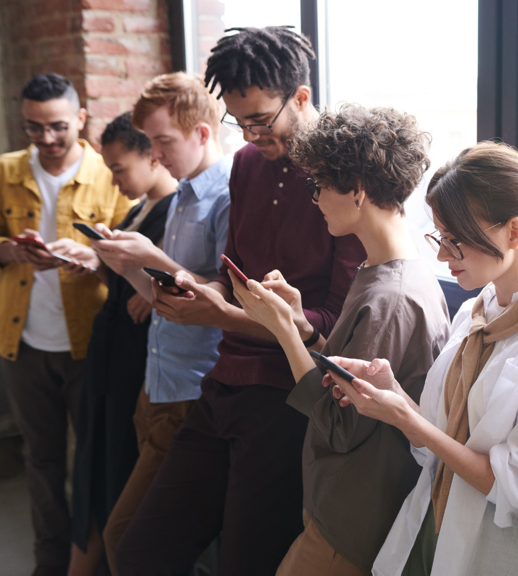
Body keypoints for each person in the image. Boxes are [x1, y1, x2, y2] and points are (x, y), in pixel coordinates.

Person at [115, 27, 366, 576]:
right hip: (223, 379)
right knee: (139, 553)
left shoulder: (345, 179)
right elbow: (232, 276)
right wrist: (200, 293)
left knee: (245, 562)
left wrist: (224, 314)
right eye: (239, 120)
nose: (250, 135)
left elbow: (334, 326)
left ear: (301, 97)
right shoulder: (247, 165)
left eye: (260, 120)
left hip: (287, 398)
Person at [326, 141, 518, 576]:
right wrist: (394, 394)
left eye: (455, 242)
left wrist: (408, 419)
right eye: (440, 237)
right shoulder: (475, 312)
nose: (442, 255)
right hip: (428, 532)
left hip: (496, 554)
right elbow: (435, 446)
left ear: (514, 233)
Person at [229, 104, 449, 576]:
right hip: (343, 505)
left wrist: (282, 330)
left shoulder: (392, 297)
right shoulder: (384, 272)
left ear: (358, 190)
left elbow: (344, 422)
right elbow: (349, 371)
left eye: (319, 186)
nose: (314, 199)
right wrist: (303, 325)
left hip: (353, 518)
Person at [78, 72, 233, 576]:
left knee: (126, 538)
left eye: (163, 141)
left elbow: (223, 300)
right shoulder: (185, 194)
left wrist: (153, 258)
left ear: (202, 133)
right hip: (158, 385)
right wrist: (127, 263)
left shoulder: (226, 197)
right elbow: (167, 300)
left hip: (191, 391)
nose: (156, 154)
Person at [0, 73, 132, 576]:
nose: (47, 139)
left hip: (89, 342)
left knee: (96, 459)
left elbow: (131, 257)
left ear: (80, 119)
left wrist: (96, 258)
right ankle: (49, 563)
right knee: (42, 461)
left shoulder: (110, 173)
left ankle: (93, 562)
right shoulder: (6, 170)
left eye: (57, 126)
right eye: (33, 128)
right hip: (24, 343)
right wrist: (11, 250)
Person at [65, 112, 178, 576]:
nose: (114, 181)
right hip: (110, 353)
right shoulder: (139, 210)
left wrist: (155, 295)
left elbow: (183, 280)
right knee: (95, 463)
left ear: (153, 155)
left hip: (138, 359)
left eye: (119, 169)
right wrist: (94, 259)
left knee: (119, 467)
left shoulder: (176, 210)